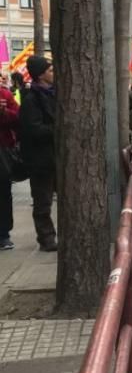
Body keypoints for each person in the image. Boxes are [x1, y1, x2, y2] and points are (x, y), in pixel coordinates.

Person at [19, 56, 57, 251]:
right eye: (50, 71)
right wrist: (57, 128)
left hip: (57, 158)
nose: (54, 74)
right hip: (41, 161)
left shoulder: (54, 94)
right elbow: (33, 130)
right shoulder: (31, 99)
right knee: (43, 202)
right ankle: (46, 238)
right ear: (41, 75)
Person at [0, 80, 20, 250]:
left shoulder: (4, 94)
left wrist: (3, 112)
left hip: (2, 150)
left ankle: (3, 234)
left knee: (3, 193)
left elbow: (18, 118)